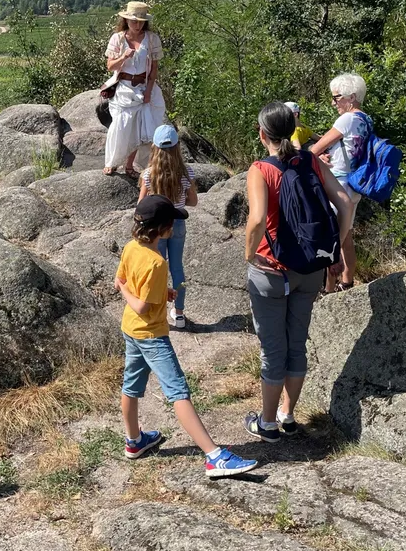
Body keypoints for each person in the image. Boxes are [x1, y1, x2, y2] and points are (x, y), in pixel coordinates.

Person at [115, 194, 257, 478]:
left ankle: (134, 441)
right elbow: (138, 302)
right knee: (178, 391)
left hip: (131, 330)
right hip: (152, 336)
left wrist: (160, 292)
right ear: (163, 228)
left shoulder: (131, 247)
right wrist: (127, 291)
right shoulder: (157, 262)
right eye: (171, 223)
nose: (174, 226)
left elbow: (125, 280)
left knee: (131, 386)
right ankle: (214, 457)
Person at [243, 103, 352, 443]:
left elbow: (257, 219)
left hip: (271, 270)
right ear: (292, 130)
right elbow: (345, 203)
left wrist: (249, 254)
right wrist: (334, 247)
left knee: (273, 349)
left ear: (262, 134)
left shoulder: (260, 169)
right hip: (309, 268)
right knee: (297, 344)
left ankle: (267, 423)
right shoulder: (311, 160)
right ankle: (287, 415)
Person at [310, 73, 372, 292]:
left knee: (332, 239)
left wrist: (317, 155)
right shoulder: (366, 120)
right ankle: (347, 282)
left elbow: (314, 149)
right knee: (346, 237)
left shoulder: (346, 119)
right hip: (355, 186)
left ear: (351, 97)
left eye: (336, 97)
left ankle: (328, 290)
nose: (333, 102)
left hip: (338, 185)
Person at [138, 124, 198, 329]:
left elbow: (141, 204)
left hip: (157, 226)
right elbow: (193, 201)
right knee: (177, 267)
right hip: (177, 222)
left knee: (157, 266)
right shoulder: (186, 172)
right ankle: (179, 313)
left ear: (154, 147)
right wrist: (178, 201)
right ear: (177, 146)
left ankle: (159, 310)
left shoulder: (149, 174)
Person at [103, 1, 167, 179]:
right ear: (126, 20)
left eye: (141, 21)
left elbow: (154, 69)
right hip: (124, 87)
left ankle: (129, 165)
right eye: (134, 21)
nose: (137, 25)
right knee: (120, 125)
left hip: (144, 86)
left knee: (139, 128)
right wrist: (123, 57)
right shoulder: (118, 38)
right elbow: (110, 66)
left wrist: (148, 92)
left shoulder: (152, 39)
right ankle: (111, 162)